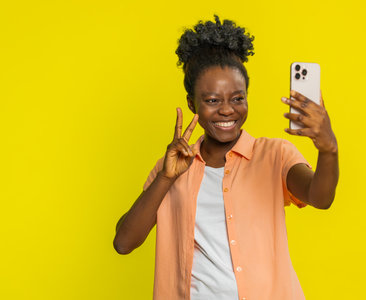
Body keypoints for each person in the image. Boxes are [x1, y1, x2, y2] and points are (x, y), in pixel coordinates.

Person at [113, 15, 339, 300]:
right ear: (191, 103)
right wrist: (166, 178)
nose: (226, 110)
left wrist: (328, 149)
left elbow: (320, 198)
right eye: (212, 101)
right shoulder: (173, 168)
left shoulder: (274, 154)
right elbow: (124, 243)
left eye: (237, 98)